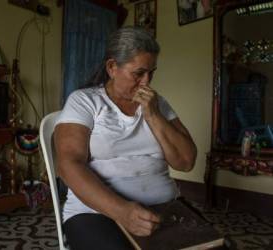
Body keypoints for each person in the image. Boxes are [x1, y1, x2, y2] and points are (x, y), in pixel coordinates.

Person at [54, 26, 197, 250]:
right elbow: (68, 164)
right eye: (138, 73)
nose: (146, 82)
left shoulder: (157, 104)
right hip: (96, 212)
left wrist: (153, 114)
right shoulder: (84, 101)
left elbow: (186, 161)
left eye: (152, 72)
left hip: (165, 208)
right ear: (112, 67)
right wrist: (121, 211)